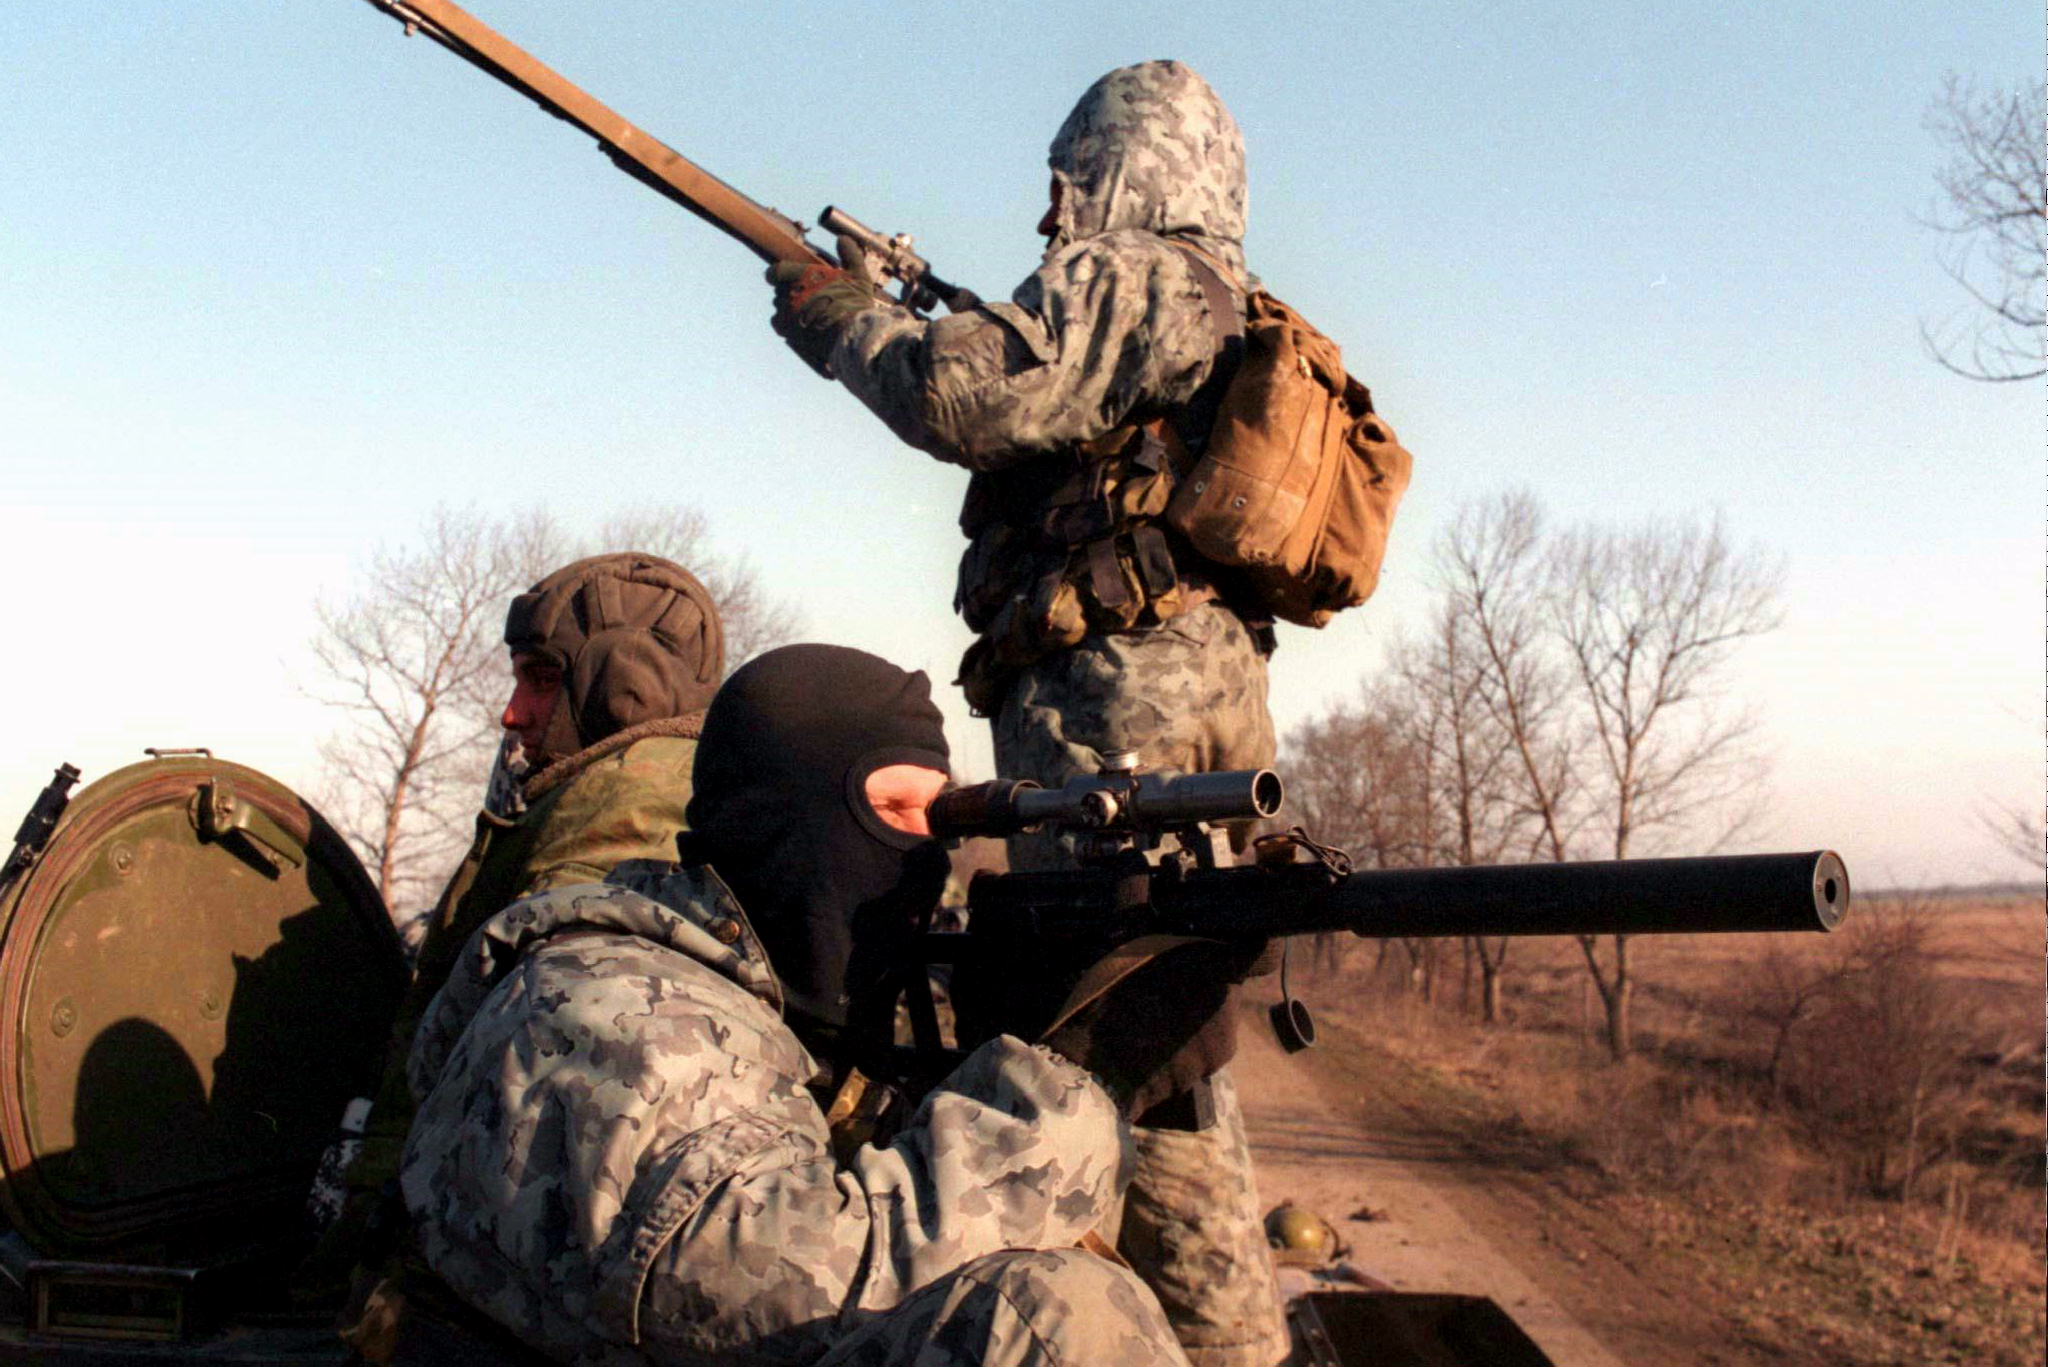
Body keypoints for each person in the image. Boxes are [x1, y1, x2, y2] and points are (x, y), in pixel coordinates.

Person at [767, 61, 1287, 1366]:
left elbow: (965, 391)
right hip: (1176, 709)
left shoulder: (1137, 272)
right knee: (1152, 1039)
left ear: (1128, 173)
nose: (1052, 216)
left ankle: (1194, 1335)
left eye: (1070, 184)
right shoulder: (1210, 296)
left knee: (1109, 1041)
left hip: (1120, 719)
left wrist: (840, 316)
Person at [368, 645, 1227, 1367]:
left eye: (940, 820)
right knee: (1048, 1314)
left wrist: (1010, 1029)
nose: (923, 857)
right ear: (778, 813)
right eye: (892, 810)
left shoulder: (779, 1007)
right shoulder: (606, 1002)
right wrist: (1076, 1072)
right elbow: (792, 1288)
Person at [330, 551, 725, 1292]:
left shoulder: (627, 805)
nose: (513, 712)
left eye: (541, 680)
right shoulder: (593, 794)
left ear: (625, 686)